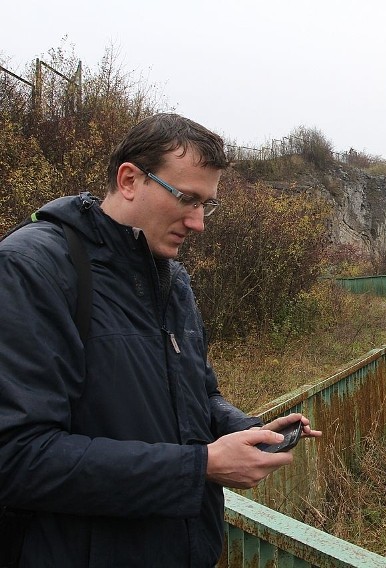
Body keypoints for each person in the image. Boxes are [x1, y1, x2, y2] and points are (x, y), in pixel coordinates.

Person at [0, 113, 320, 567]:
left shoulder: (172, 279)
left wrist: (238, 427)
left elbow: (197, 393)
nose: (198, 223)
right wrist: (201, 466)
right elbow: (17, 457)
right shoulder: (32, 269)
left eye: (207, 204)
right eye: (187, 199)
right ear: (129, 179)